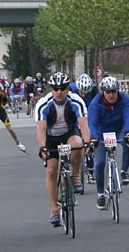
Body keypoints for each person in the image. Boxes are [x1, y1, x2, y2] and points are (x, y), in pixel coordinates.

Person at [36, 73, 90, 226]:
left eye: (63, 88)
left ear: (68, 88)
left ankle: (74, 175)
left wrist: (88, 143)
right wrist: (42, 148)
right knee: (51, 171)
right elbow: (40, 129)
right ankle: (54, 210)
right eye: (55, 88)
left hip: (69, 133)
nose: (59, 91)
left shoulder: (76, 101)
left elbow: (84, 124)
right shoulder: (43, 103)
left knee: (77, 143)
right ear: (51, 89)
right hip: (50, 137)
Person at [88, 76, 129, 210]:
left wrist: (128, 132)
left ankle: (124, 171)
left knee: (128, 143)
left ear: (117, 91)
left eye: (113, 91)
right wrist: (95, 138)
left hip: (119, 129)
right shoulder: (95, 103)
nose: (111, 95)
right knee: (99, 163)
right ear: (103, 92)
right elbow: (92, 122)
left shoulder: (124, 100)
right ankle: (101, 194)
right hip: (102, 132)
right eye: (107, 92)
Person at [73, 73, 99, 183]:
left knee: (89, 143)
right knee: (75, 143)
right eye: (81, 92)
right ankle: (74, 169)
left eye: (85, 93)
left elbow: (97, 107)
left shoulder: (94, 91)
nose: (83, 95)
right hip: (75, 117)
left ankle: (91, 171)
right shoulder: (71, 89)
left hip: (88, 116)